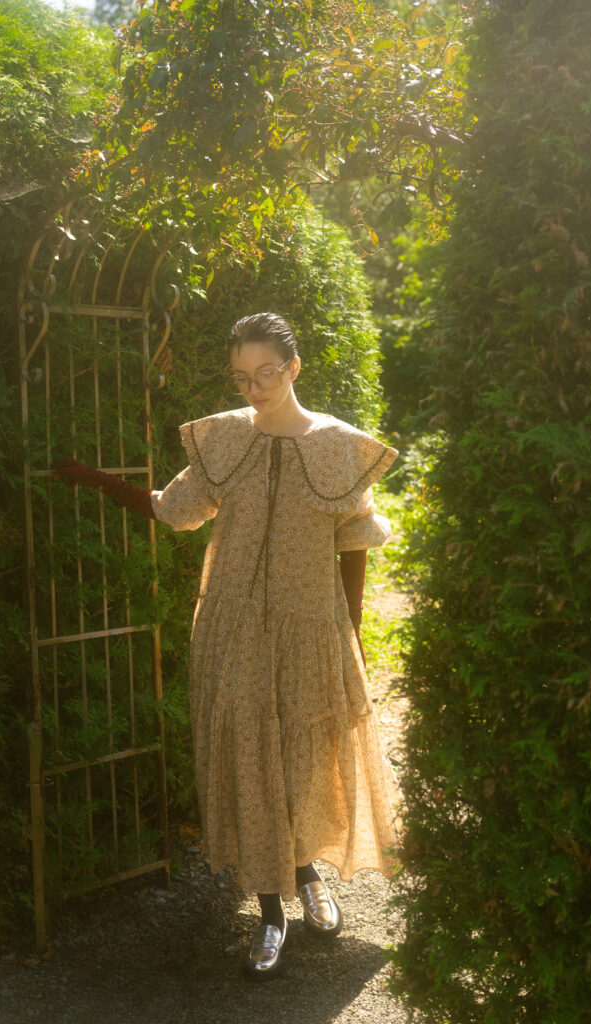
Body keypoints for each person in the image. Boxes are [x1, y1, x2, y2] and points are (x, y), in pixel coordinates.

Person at [55, 313, 401, 980]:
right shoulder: (223, 439)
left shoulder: (338, 444)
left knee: (301, 759)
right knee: (249, 759)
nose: (252, 388)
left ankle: (308, 880)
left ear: (293, 368)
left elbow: (353, 541)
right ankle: (270, 914)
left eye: (264, 373)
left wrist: (349, 634)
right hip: (234, 627)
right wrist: (95, 480)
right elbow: (172, 510)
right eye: (241, 377)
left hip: (310, 628)